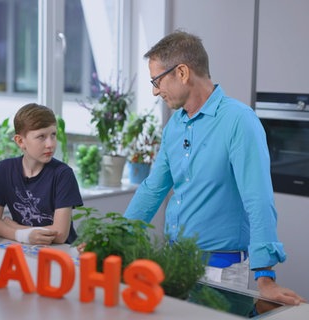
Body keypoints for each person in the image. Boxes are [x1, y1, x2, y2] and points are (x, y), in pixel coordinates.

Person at [123, 30, 305, 307]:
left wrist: (265, 276)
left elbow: (257, 198)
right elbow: (152, 189)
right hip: (177, 264)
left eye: (158, 80)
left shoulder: (239, 121)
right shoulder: (175, 125)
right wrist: (117, 238)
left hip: (221, 271)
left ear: (182, 72)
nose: (155, 90)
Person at [0, 103, 83, 245]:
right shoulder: (4, 169)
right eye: (41, 137)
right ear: (20, 141)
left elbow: (60, 234)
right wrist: (22, 236)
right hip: (25, 248)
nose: (50, 144)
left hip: (62, 252)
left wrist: (16, 228)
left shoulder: (63, 174)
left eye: (53, 135)